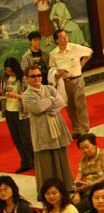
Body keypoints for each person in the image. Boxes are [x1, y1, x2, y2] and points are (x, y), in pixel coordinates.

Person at [21, 64, 74, 193]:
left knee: (61, 158)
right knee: (46, 163)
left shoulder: (49, 88)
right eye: (33, 76)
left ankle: (66, 186)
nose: (37, 78)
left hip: (57, 126)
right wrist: (51, 99)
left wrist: (47, 105)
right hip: (42, 130)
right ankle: (49, 190)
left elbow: (60, 102)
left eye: (39, 75)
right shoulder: (27, 95)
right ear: (26, 78)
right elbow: (37, 108)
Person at [49, 28, 92, 137]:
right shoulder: (53, 54)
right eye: (62, 37)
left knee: (80, 105)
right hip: (64, 82)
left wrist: (82, 63)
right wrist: (57, 74)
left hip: (77, 79)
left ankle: (84, 130)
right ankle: (77, 129)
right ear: (57, 40)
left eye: (66, 36)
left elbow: (89, 51)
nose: (65, 38)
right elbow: (52, 68)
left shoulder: (74, 48)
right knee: (70, 107)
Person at [2, 57, 34, 172]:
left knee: (26, 140)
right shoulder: (5, 79)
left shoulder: (24, 79)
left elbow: (29, 95)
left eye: (11, 70)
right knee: (17, 140)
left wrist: (16, 96)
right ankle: (25, 162)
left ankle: (35, 161)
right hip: (9, 111)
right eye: (7, 71)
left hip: (22, 112)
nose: (9, 73)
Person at [72, 133, 104, 212]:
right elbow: (78, 178)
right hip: (85, 189)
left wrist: (90, 184)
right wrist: (76, 193)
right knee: (66, 204)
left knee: (75, 209)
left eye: (87, 147)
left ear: (94, 145)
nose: (85, 150)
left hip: (100, 190)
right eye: (82, 148)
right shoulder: (83, 160)